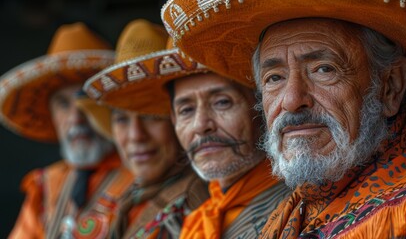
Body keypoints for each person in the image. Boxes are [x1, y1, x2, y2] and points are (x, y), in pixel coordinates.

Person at [161, 0, 406, 238]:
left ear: (391, 86)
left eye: (323, 69)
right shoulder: (296, 208)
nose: (291, 100)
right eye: (274, 78)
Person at [85, 23, 290, 239]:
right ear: (174, 120)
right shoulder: (198, 218)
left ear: (261, 107)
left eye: (222, 102)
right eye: (186, 110)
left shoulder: (299, 209)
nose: (201, 125)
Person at [78, 19, 209, 238]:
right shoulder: (131, 196)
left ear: (181, 120)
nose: (136, 135)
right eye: (121, 119)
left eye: (151, 117)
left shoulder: (194, 203)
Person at [0, 22, 125, 239]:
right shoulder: (45, 186)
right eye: (63, 104)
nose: (76, 118)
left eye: (87, 100)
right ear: (51, 114)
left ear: (112, 104)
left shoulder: (144, 173)